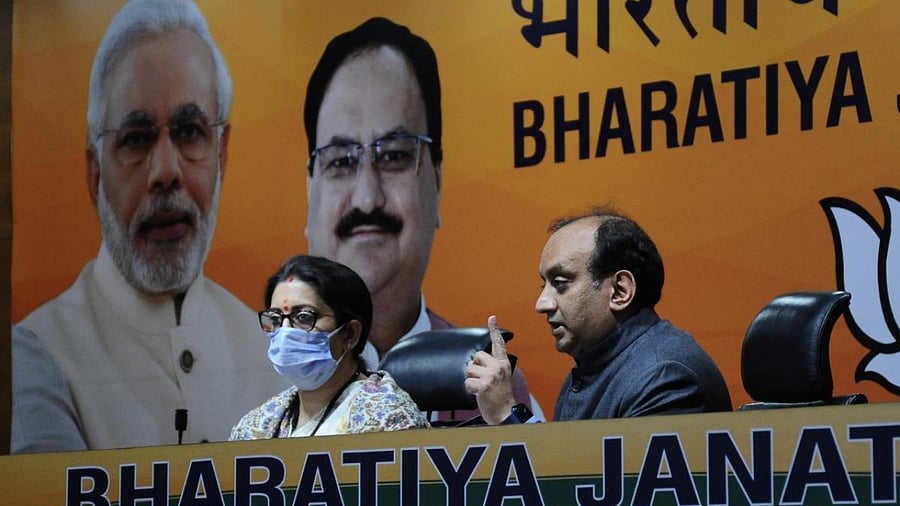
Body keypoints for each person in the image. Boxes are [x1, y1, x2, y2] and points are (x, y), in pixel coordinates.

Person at [11, 0, 287, 453]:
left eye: (189, 131)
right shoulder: (38, 356)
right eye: (136, 139)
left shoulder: (272, 359)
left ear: (221, 154)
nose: (165, 172)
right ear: (95, 173)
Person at [303, 17, 541, 420]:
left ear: (438, 181)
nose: (367, 197)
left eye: (395, 155)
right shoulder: (263, 382)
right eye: (341, 161)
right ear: (310, 190)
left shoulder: (495, 388)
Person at [466, 207, 732, 425]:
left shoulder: (664, 376)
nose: (541, 304)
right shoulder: (588, 371)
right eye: (543, 285)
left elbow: (614, 476)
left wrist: (507, 414)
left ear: (619, 291)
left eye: (560, 283)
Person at [230, 255, 429, 439]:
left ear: (350, 334)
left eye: (303, 317)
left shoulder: (389, 420)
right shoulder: (257, 425)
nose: (285, 331)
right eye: (275, 318)